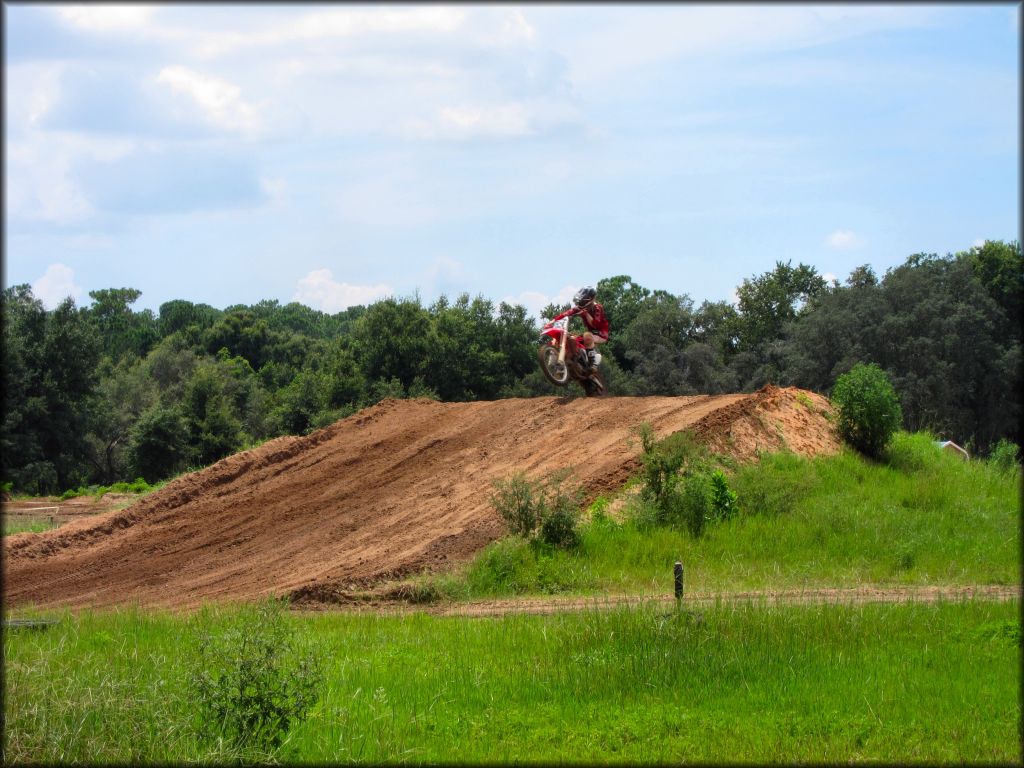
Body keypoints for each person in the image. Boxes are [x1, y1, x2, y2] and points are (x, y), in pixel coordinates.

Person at [552, 286, 609, 371]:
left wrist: (586, 314)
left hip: (601, 333)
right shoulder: (580, 307)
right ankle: (578, 360)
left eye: (584, 298)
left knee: (587, 336)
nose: (581, 302)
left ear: (590, 298)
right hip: (591, 333)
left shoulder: (597, 308)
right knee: (573, 340)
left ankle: (593, 362)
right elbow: (566, 314)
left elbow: (595, 325)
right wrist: (552, 321)